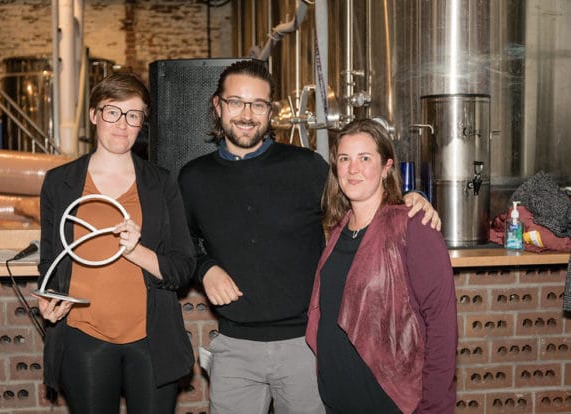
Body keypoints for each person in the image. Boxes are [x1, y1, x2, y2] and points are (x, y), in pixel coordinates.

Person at [178, 60, 441, 414]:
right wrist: (206, 267)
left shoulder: (306, 167)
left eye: (258, 104)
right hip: (235, 346)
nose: (246, 114)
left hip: (305, 345)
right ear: (217, 105)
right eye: (236, 102)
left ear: (270, 111)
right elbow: (181, 246)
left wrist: (411, 197)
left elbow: (359, 203)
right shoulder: (194, 178)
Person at [34, 72, 195, 414]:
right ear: (94, 114)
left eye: (133, 115)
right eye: (112, 111)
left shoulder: (161, 183)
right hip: (83, 337)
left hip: (152, 339)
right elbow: (51, 260)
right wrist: (49, 297)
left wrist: (136, 251)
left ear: (142, 123)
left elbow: (183, 267)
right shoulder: (59, 183)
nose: (122, 124)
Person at [305, 119, 457, 413]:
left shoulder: (414, 226)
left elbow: (441, 325)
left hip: (390, 402)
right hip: (338, 402)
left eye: (365, 158)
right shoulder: (338, 231)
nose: (353, 168)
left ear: (387, 166)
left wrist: (436, 407)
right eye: (344, 158)